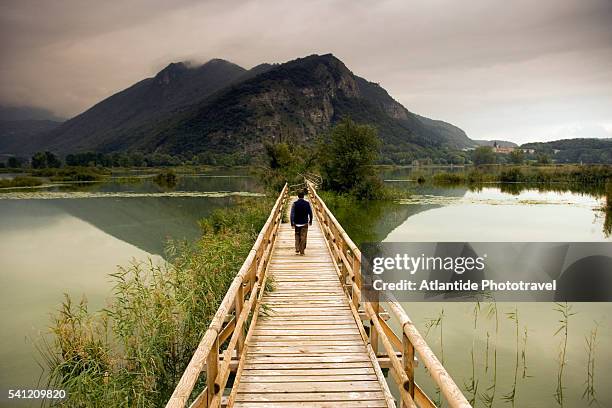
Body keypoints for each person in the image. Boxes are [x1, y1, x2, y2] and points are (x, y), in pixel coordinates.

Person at [290, 190, 313, 255]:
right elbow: (310, 213)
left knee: (297, 235)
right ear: (303, 196)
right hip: (304, 223)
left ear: (298, 196)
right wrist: (310, 221)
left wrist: (292, 223)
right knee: (303, 237)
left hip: (297, 223)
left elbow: (292, 214)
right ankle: (302, 250)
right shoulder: (307, 203)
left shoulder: (294, 204)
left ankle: (297, 248)